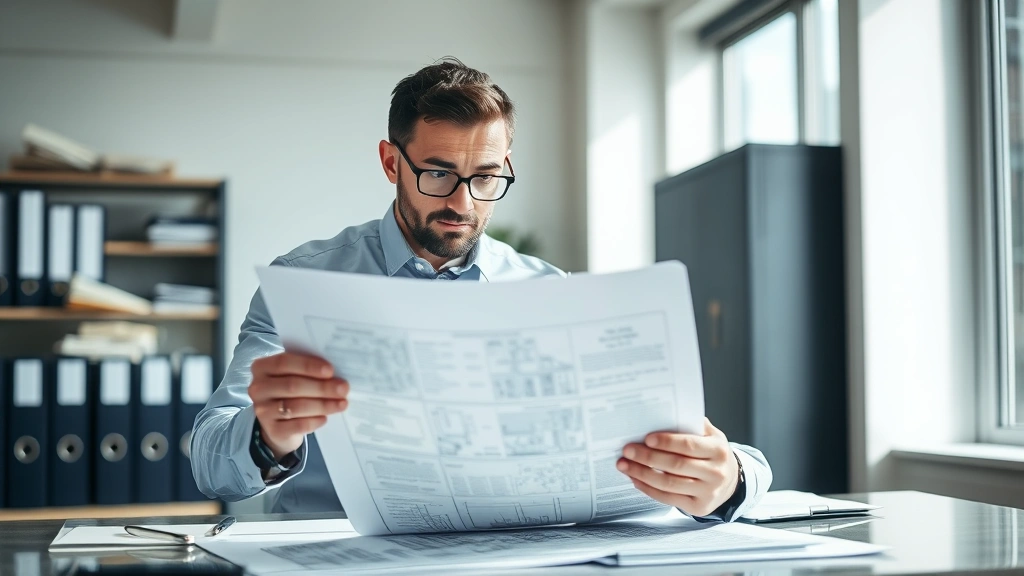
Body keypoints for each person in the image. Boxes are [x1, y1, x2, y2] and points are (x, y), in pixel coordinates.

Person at [191, 58, 771, 522]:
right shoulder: (302, 283)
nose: (463, 203)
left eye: (487, 177)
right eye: (438, 173)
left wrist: (729, 478)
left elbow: (694, 443)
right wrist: (269, 436)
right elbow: (209, 460)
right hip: (337, 559)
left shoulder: (551, 292)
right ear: (391, 162)